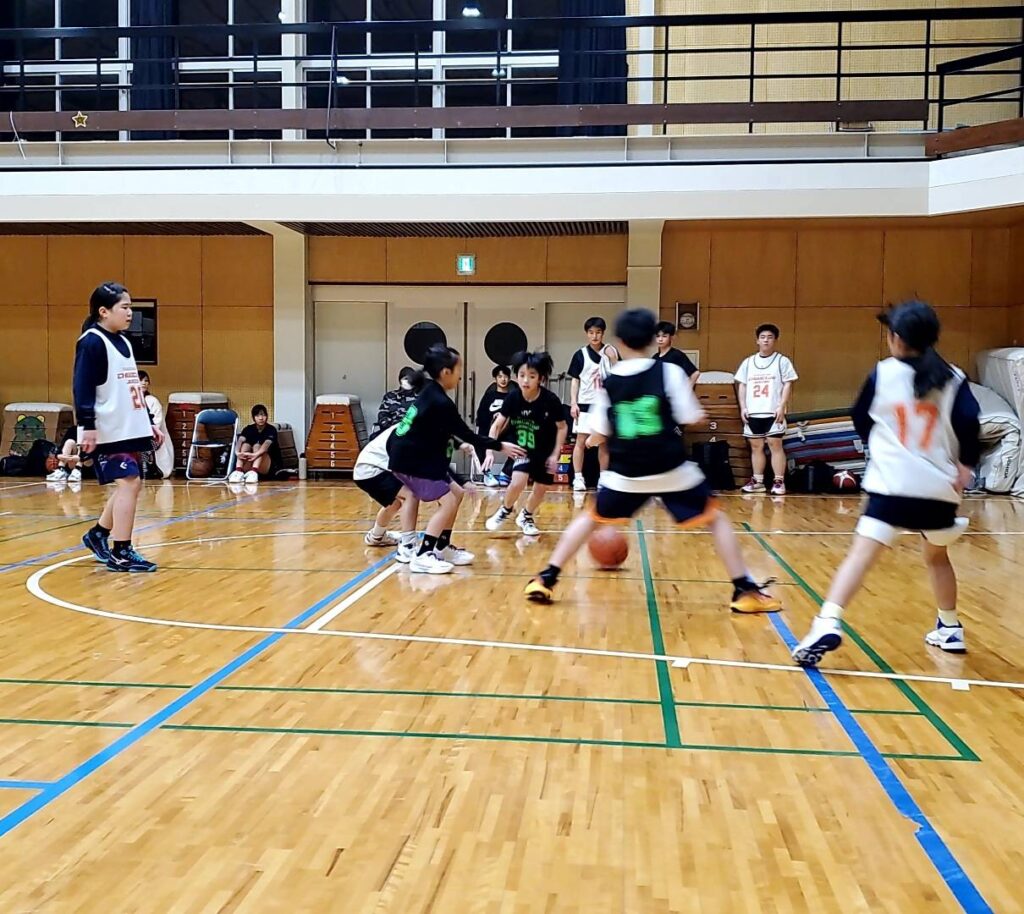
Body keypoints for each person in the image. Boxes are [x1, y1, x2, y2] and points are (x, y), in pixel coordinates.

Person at [523, 308, 781, 614]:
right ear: (651, 340)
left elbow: (599, 433)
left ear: (619, 341)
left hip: (625, 473)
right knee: (717, 519)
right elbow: (689, 416)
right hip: (669, 469)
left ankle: (546, 577)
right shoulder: (668, 372)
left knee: (589, 519)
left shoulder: (610, 381)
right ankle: (744, 590)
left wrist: (598, 438)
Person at [792, 301, 980, 666]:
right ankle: (950, 626)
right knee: (937, 557)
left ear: (895, 338)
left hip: (892, 487)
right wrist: (965, 467)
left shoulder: (884, 373)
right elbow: (970, 424)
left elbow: (860, 417)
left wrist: (881, 447)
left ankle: (827, 621)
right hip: (939, 491)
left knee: (861, 556)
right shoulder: (954, 377)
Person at [387, 344, 525, 574]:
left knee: (457, 493)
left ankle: (441, 547)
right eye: (459, 369)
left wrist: (459, 478)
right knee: (449, 501)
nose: (461, 375)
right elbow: (468, 435)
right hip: (409, 461)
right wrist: (500, 445)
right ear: (445, 372)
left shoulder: (431, 392)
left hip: (416, 457)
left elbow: (445, 439)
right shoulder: (439, 402)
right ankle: (423, 555)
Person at [76, 282, 163, 573]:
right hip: (107, 428)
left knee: (131, 484)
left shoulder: (123, 342)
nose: (130, 313)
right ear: (104, 311)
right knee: (130, 483)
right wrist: (87, 426)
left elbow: (130, 389)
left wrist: (147, 422)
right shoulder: (91, 342)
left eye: (130, 307)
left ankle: (98, 534)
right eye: (124, 307)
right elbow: (82, 387)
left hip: (129, 426)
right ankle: (121, 551)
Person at [484, 350, 568, 537]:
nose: (525, 380)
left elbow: (562, 428)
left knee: (541, 488)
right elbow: (496, 426)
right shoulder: (513, 398)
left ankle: (526, 516)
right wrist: (490, 451)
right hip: (523, 449)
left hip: (545, 450)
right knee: (517, 482)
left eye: (531, 376)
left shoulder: (550, 400)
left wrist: (555, 454)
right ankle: (505, 510)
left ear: (541, 378)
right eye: (522, 375)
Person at [734, 323, 798, 496]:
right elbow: (742, 385)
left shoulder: (782, 361)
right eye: (762, 337)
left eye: (770, 337)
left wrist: (782, 406)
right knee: (756, 446)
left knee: (775, 444)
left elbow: (788, 384)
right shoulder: (748, 362)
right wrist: (743, 407)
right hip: (753, 411)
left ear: (775, 340)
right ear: (757, 340)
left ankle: (779, 481)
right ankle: (758, 481)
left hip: (772, 410)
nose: (766, 340)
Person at [568, 316, 619, 491]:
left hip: (604, 404)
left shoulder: (610, 351)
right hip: (585, 403)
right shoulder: (580, 354)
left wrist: (614, 359)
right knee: (580, 442)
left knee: (603, 443)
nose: (594, 336)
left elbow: (620, 373)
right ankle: (578, 478)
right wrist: (573, 402)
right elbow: (575, 380)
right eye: (591, 332)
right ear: (586, 334)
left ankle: (603, 479)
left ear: (603, 333)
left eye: (598, 332)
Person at [475, 364, 517, 487]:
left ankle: (506, 473)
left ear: (509, 378)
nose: (503, 379)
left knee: (522, 443)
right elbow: (481, 416)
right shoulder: (489, 396)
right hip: (489, 430)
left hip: (507, 431)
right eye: (500, 377)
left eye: (505, 377)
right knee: (478, 441)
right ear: (495, 379)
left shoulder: (513, 397)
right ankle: (487, 473)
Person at [229, 405, 280, 485]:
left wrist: (255, 455)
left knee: (257, 446)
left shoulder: (271, 429)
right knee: (245, 445)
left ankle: (254, 472)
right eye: (257, 416)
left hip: (267, 465)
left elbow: (266, 445)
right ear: (253, 417)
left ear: (267, 416)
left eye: (263, 415)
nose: (261, 418)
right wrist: (237, 453)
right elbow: (240, 441)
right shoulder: (248, 429)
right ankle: (238, 471)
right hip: (250, 462)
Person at [139, 370, 174, 479]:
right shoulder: (128, 401)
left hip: (153, 438)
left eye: (146, 381)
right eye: (140, 380)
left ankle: (147, 468)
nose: (144, 383)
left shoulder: (152, 401)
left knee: (143, 444)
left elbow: (155, 425)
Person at [373, 366, 420, 436]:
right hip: (391, 431)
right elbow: (382, 415)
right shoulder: (390, 396)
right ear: (400, 380)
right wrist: (391, 426)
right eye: (406, 379)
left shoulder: (420, 398)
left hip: (412, 433)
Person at [653, 321, 700, 389]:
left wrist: (687, 390)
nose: (660, 339)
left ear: (671, 337)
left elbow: (695, 373)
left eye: (664, 336)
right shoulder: (655, 357)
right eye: (658, 336)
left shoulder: (677, 355)